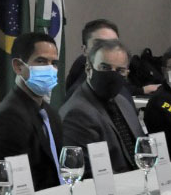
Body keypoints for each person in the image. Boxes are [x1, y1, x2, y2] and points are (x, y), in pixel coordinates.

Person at [0, 31, 66, 193]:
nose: (50, 69)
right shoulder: (7, 120)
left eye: (54, 63)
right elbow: (18, 186)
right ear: (18, 66)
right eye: (41, 61)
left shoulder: (50, 114)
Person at [60, 38, 147, 175]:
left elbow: (142, 149)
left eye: (120, 70)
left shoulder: (122, 101)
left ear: (126, 74)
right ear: (89, 69)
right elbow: (88, 173)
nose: (112, 75)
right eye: (105, 68)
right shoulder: (77, 113)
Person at [63, 18, 118, 97]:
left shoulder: (119, 83)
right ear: (85, 50)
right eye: (99, 44)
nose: (108, 50)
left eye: (113, 44)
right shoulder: (78, 97)